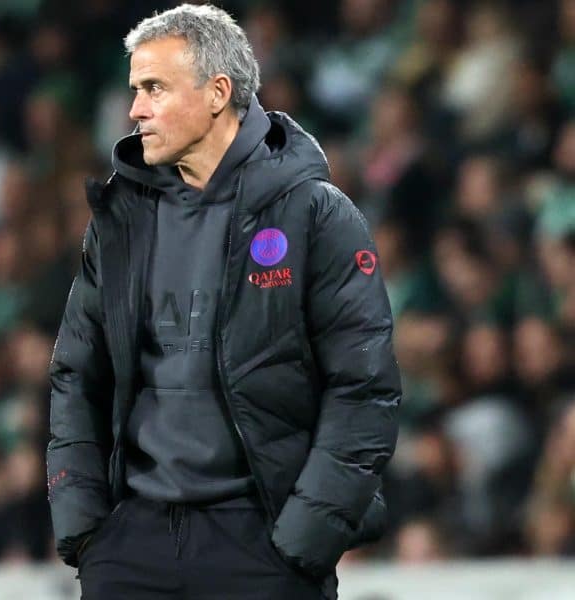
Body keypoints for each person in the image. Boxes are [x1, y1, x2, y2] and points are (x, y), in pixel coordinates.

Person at [46, 5, 401, 599]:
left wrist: (302, 542)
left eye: (154, 88)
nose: (135, 110)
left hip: (262, 545)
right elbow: (76, 376)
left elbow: (364, 389)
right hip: (133, 548)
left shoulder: (316, 215)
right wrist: (87, 530)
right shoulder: (119, 221)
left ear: (217, 93)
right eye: (135, 89)